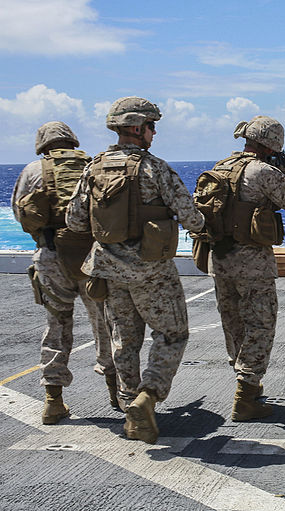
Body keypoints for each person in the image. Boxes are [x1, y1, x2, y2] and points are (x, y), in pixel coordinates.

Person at [66, 97, 204, 444]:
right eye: (151, 126)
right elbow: (191, 216)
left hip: (109, 271)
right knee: (173, 334)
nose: (154, 133)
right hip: (151, 271)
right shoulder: (155, 169)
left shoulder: (93, 168)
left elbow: (74, 221)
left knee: (124, 342)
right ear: (137, 128)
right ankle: (149, 396)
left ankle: (131, 410)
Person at [194, 116, 285, 421]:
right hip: (253, 263)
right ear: (272, 144)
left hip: (220, 260)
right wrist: (282, 175)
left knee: (233, 323)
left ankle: (246, 384)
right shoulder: (263, 171)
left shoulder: (220, 166)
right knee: (261, 325)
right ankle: (247, 392)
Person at [12, 121, 116, 424]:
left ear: (42, 144)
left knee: (56, 326)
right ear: (72, 141)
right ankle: (116, 392)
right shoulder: (93, 165)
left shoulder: (33, 171)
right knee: (105, 325)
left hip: (51, 255)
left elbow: (22, 213)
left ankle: (53, 402)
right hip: (91, 256)